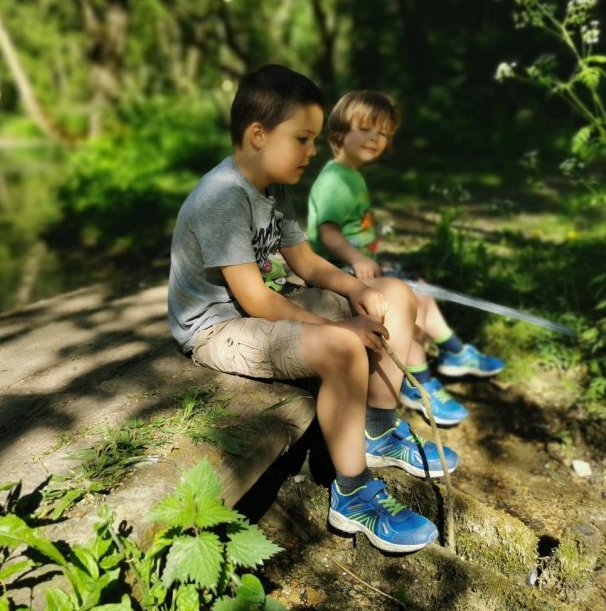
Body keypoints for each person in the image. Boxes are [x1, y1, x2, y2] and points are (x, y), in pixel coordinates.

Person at [168, 65, 458, 553]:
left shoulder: (273, 188)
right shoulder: (222, 196)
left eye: (315, 139)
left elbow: (305, 262)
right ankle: (353, 494)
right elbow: (255, 299)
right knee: (345, 345)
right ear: (258, 135)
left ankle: (381, 430)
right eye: (303, 139)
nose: (313, 151)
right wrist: (340, 325)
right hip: (218, 328)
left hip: (263, 308)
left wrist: (358, 291)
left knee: (397, 296)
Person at [307, 90, 505, 427]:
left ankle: (447, 357)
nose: (376, 138)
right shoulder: (333, 179)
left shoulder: (350, 176)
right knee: (408, 303)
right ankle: (425, 382)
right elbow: (328, 233)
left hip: (356, 267)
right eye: (367, 128)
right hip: (338, 273)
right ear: (339, 133)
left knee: (420, 291)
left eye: (383, 133)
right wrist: (357, 258)